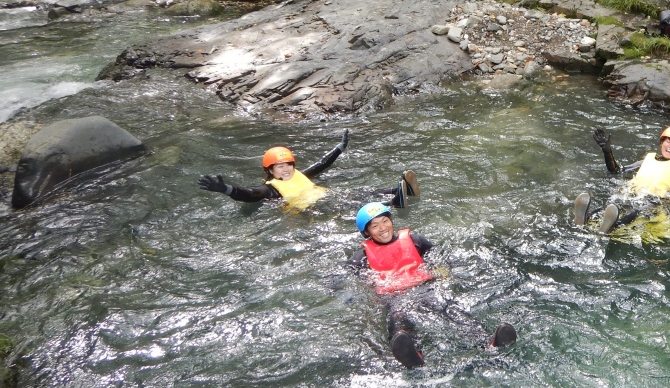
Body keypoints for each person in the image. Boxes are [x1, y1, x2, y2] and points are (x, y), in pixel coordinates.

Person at [352, 202, 517, 369]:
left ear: (391, 221)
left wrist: (443, 276)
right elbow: (355, 284)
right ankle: (412, 354)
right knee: (399, 320)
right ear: (366, 232)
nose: (382, 228)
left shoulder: (416, 241)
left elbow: (439, 260)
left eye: (385, 221)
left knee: (450, 309)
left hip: (425, 288)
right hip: (396, 297)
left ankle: (488, 342)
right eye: (375, 225)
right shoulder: (361, 258)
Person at [573, 125, 670, 234]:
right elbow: (616, 171)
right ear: (662, 143)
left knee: (638, 208)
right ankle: (588, 218)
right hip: (633, 194)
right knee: (616, 202)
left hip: (655, 202)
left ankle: (612, 227)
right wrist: (607, 151)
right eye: (668, 141)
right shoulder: (646, 161)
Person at [198, 131, 351, 209]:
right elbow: (249, 195)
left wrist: (340, 147)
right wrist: (226, 189)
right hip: (306, 212)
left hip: (328, 200)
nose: (286, 170)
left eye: (288, 165)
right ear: (270, 171)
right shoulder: (268, 190)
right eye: (280, 166)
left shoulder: (300, 175)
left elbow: (322, 163)